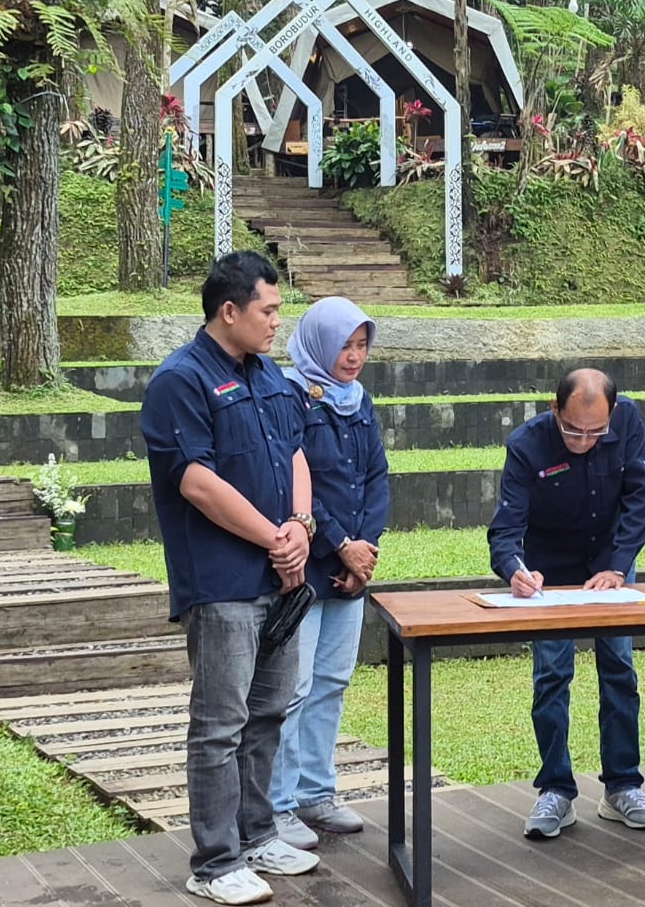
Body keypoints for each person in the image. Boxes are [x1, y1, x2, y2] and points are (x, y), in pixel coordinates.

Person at [141, 251, 320, 905]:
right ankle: (215, 863)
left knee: (269, 711)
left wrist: (300, 524)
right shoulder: (180, 381)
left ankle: (257, 834)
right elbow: (196, 481)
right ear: (229, 311)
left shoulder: (269, 374)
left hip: (280, 578)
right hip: (223, 583)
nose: (277, 322)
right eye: (268, 310)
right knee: (221, 723)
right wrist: (275, 539)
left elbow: (296, 451)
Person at [486, 368, 645, 840]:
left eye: (596, 432)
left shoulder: (627, 422)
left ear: (613, 414)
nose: (584, 441)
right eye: (572, 430)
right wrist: (516, 570)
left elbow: (639, 499)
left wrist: (619, 566)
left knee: (619, 669)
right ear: (554, 409)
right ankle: (555, 789)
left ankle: (623, 786)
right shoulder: (526, 445)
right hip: (550, 570)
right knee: (551, 676)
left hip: (610, 564)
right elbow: (505, 530)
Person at [268, 297, 390, 851]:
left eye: (362, 345)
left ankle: (317, 792)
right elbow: (296, 481)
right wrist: (341, 544)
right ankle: (278, 803)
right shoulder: (290, 396)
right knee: (292, 688)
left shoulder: (359, 400)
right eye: (345, 345)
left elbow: (376, 477)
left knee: (332, 682)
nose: (354, 356)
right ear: (320, 344)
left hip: (352, 568)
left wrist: (365, 551)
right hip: (307, 565)